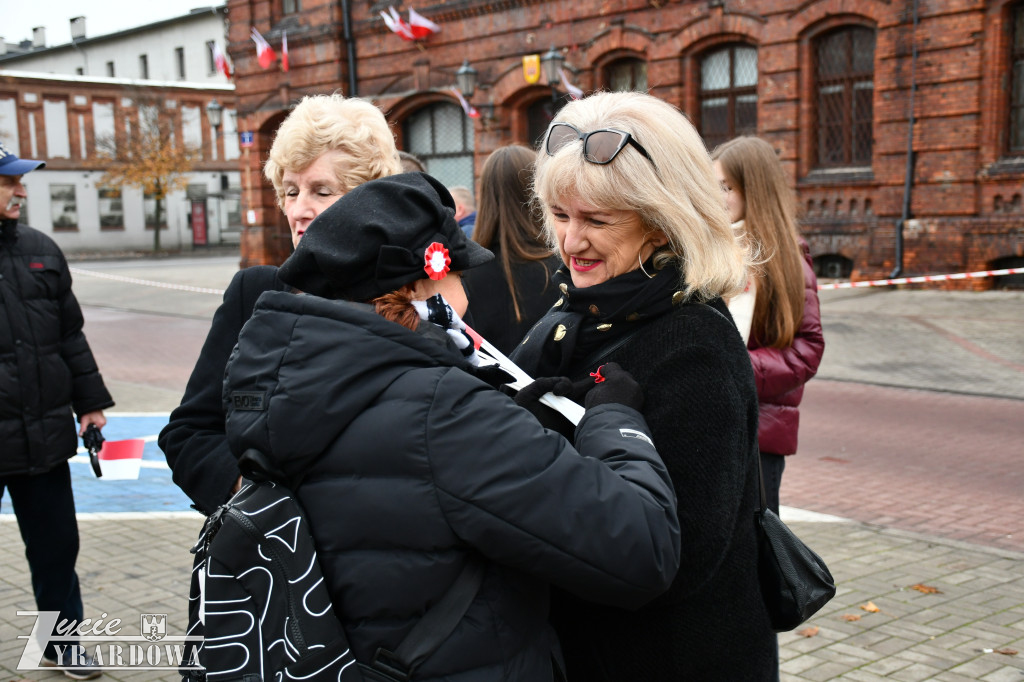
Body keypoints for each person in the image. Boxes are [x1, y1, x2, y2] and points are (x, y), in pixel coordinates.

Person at [222, 171, 682, 680]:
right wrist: (613, 416)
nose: (467, 292)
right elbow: (643, 548)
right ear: (422, 285)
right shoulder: (444, 412)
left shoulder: (281, 381)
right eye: (459, 275)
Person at [509, 92, 778, 679]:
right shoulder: (575, 311)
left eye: (597, 220)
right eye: (559, 214)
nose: (570, 241)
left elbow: (676, 561)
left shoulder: (694, 345)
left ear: (661, 224)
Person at [158, 94, 403, 515]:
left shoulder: (408, 301)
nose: (298, 210)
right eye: (290, 191)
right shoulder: (255, 293)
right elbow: (189, 432)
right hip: (271, 562)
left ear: (369, 199)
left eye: (321, 191)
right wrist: (252, 495)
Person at [0, 141, 112, 680]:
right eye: (8, 181)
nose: (21, 190)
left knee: (55, 548)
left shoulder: (40, 249)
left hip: (41, 436)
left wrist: (90, 402)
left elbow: (69, 335)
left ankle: (60, 643)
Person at [712, 135, 825, 514]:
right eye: (713, 185)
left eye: (726, 187)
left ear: (754, 189)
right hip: (707, 420)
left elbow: (806, 350)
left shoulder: (787, 258)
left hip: (759, 433)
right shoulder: (707, 250)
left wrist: (738, 366)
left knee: (758, 546)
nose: (717, 196)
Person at [464, 144, 561, 354]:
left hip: (481, 384)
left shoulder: (463, 273)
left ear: (485, 194)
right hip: (550, 385)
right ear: (537, 191)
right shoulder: (561, 268)